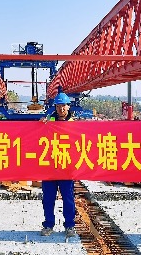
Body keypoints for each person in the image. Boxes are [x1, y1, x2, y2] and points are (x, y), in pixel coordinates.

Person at [40, 91, 77, 239]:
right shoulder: (48, 122)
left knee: (68, 198)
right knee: (48, 199)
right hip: (50, 167)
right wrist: (40, 125)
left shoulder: (74, 124)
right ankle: (48, 224)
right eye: (58, 106)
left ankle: (70, 225)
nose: (61, 109)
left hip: (66, 168)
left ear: (68, 106)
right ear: (55, 107)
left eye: (64, 106)